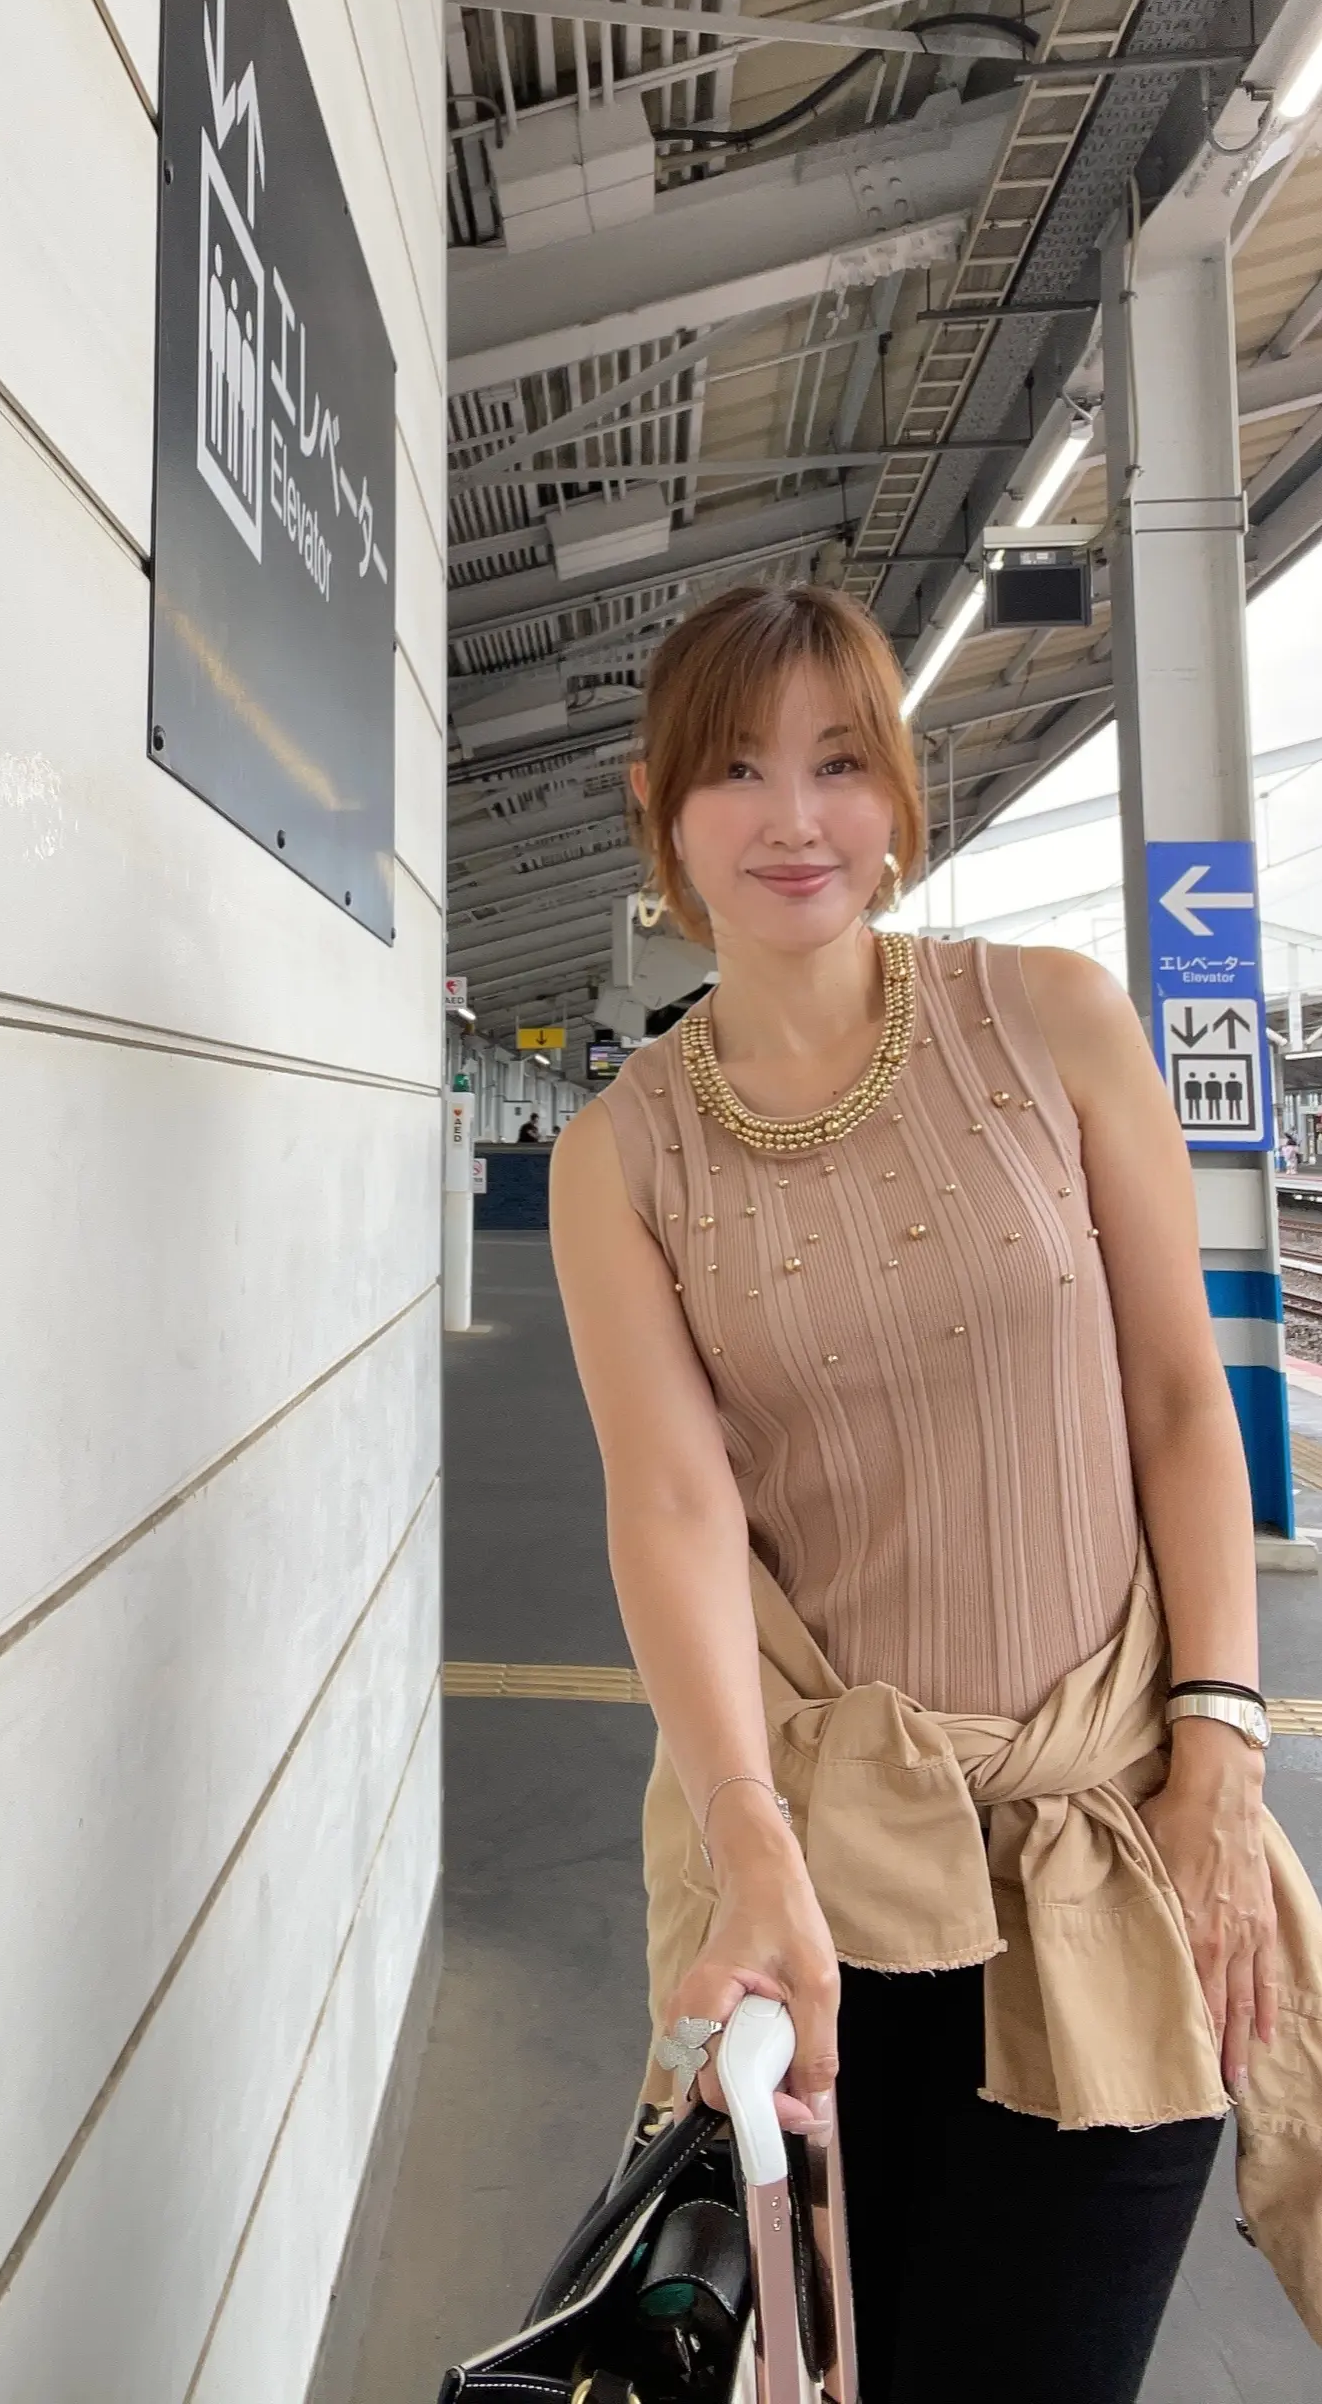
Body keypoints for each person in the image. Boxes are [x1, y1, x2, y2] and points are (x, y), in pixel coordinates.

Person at [549, 581, 1322, 2400]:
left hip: (1108, 1842)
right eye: (736, 770)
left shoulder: (1050, 1019)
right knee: (824, 2365)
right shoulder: (620, 1153)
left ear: (899, 795)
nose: (794, 817)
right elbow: (675, 1510)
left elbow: (1178, 1400)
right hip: (818, 1873)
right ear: (662, 810)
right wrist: (745, 1840)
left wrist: (1220, 1753)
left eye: (839, 762)